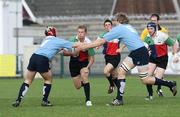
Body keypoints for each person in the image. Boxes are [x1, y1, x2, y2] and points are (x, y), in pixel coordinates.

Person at [74, 12, 177, 106]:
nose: (114, 23)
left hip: (139, 52)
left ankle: (170, 84)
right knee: (121, 71)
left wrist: (84, 46)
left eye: (115, 21)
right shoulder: (129, 27)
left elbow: (100, 42)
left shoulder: (119, 29)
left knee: (145, 80)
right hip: (137, 51)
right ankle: (119, 99)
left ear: (118, 21)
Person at [12, 26, 77, 107]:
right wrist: (73, 53)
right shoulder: (56, 40)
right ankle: (44, 101)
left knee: (28, 80)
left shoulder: (45, 40)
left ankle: (18, 100)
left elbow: (56, 48)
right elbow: (65, 50)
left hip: (34, 57)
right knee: (48, 79)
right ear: (54, 32)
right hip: (42, 59)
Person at [143, 22, 178, 100]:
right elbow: (145, 49)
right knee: (147, 77)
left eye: (151, 28)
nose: (149, 30)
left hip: (162, 59)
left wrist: (175, 55)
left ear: (155, 29)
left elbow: (174, 44)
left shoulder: (162, 35)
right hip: (152, 58)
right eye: (148, 29)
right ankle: (150, 94)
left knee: (157, 79)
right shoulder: (147, 37)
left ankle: (171, 84)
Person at [63, 25, 95, 106]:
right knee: (77, 86)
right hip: (73, 63)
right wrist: (72, 53)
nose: (80, 34)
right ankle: (86, 85)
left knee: (84, 76)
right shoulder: (72, 40)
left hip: (84, 63)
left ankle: (88, 100)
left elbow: (92, 58)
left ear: (85, 33)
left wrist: (87, 68)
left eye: (82, 32)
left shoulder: (88, 42)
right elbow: (64, 53)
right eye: (79, 32)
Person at [141, 13, 168, 97]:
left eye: (154, 20)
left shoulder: (163, 31)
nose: (153, 22)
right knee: (148, 75)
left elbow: (167, 43)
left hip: (161, 57)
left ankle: (159, 89)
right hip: (151, 56)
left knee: (158, 76)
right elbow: (143, 42)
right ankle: (150, 93)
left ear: (158, 21)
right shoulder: (146, 31)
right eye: (151, 20)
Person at [96, 19, 121, 94]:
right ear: (104, 27)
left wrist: (121, 48)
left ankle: (111, 85)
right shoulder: (102, 35)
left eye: (109, 25)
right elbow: (97, 43)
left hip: (115, 57)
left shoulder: (117, 34)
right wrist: (98, 46)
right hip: (107, 57)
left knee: (106, 71)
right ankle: (120, 91)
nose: (107, 26)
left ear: (111, 26)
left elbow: (125, 39)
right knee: (114, 76)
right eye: (106, 25)